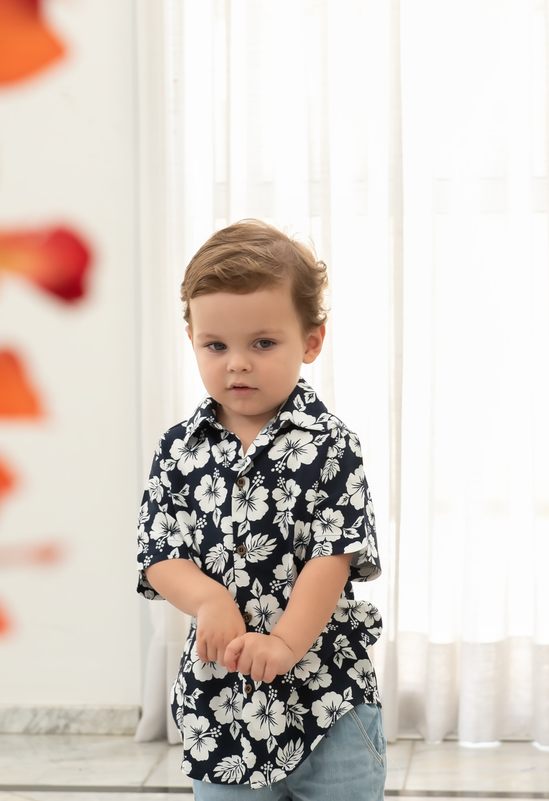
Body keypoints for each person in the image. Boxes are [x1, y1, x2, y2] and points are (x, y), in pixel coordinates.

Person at [136, 219, 386, 800]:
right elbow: (160, 553)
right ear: (192, 340)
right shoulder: (179, 449)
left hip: (327, 698)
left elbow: (332, 557)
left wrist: (285, 644)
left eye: (263, 343)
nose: (238, 363)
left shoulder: (331, 446)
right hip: (221, 704)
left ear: (311, 342)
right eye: (216, 345)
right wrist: (209, 599)